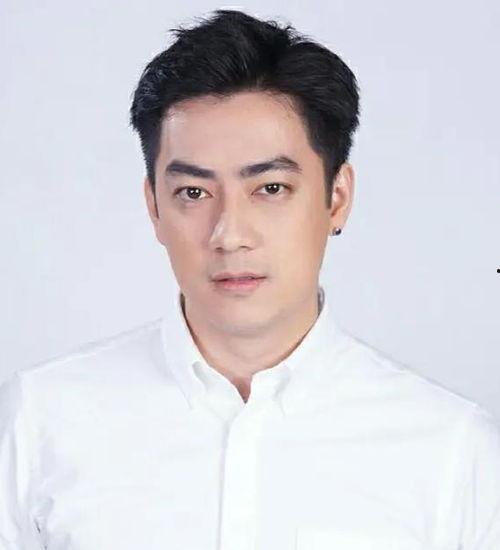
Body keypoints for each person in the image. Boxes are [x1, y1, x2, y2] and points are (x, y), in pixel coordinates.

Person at [1, 8, 499, 550]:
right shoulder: (38, 421)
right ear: (154, 206)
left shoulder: (453, 453)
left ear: (337, 198)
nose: (229, 234)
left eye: (270, 189)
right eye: (193, 192)